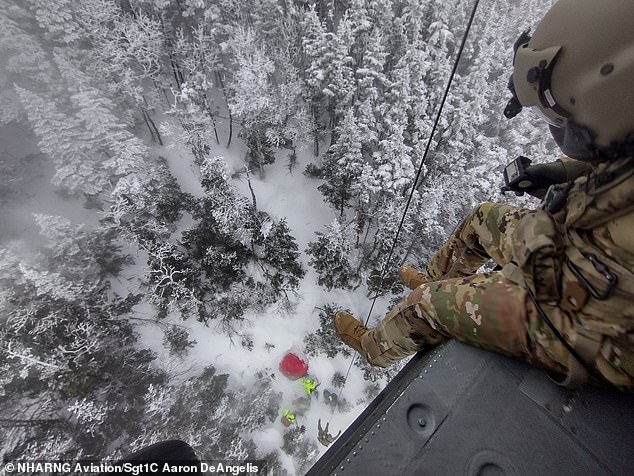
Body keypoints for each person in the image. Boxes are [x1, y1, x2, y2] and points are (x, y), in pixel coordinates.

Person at [335, 0, 634, 390]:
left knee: (426, 308)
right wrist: (566, 173)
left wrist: (528, 269)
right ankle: (433, 278)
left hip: (595, 323)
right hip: (576, 255)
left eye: (562, 121)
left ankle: (372, 347)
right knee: (481, 219)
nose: (558, 132)